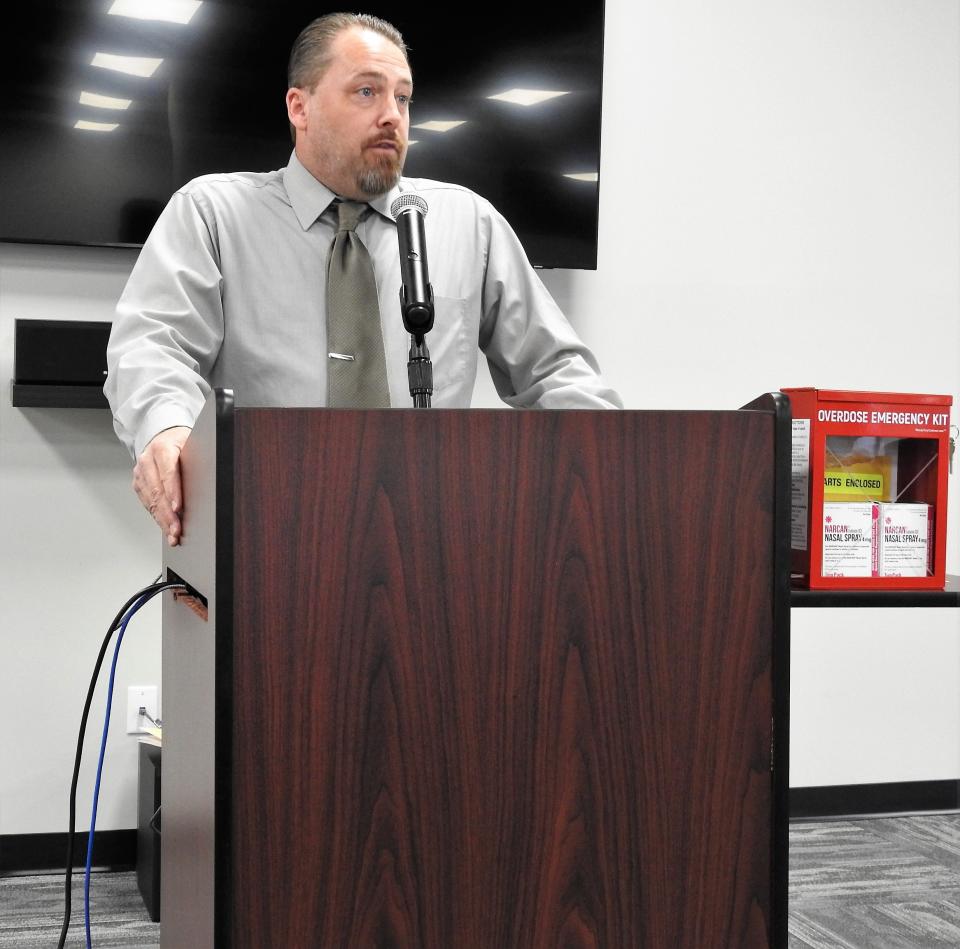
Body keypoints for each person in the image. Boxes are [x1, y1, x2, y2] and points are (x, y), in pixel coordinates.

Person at [105, 13, 621, 547]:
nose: (392, 117)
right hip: (263, 536)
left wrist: (620, 465)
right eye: (367, 92)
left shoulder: (467, 223)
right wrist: (166, 430)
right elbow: (152, 349)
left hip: (433, 546)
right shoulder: (212, 214)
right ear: (298, 108)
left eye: (403, 98)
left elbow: (556, 370)